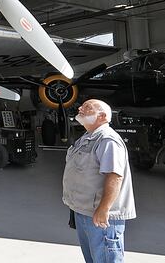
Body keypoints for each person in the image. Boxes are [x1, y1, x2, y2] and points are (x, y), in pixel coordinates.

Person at [63, 99, 136, 263]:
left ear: (102, 116)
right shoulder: (87, 137)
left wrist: (104, 209)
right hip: (84, 211)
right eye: (82, 106)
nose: (80, 108)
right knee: (92, 259)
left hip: (100, 215)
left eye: (88, 107)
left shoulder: (107, 140)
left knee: (105, 259)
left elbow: (114, 176)